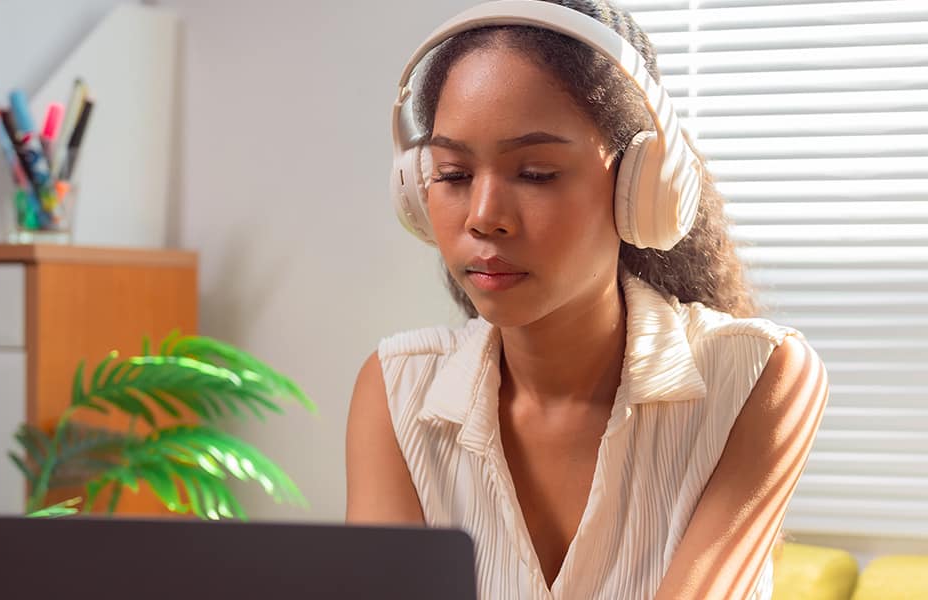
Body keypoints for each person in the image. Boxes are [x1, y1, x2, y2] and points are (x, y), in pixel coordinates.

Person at [343, 1, 829, 598]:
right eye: (453, 174)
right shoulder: (396, 391)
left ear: (641, 188)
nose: (483, 216)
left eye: (537, 173)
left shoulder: (762, 377)